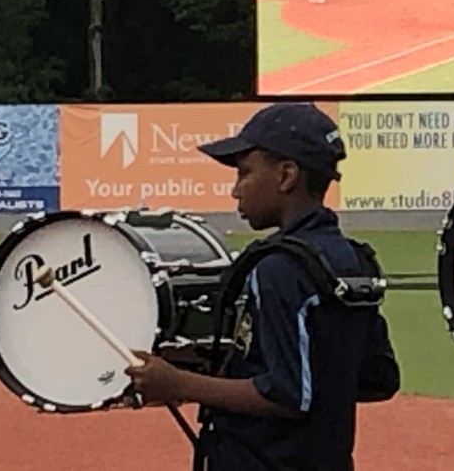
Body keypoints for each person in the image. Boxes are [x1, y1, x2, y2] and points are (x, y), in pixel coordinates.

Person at [123, 102, 400, 471]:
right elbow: (378, 379)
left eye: (244, 173)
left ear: (286, 175)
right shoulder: (353, 259)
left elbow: (286, 393)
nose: (236, 191)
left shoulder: (278, 269)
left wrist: (178, 384)